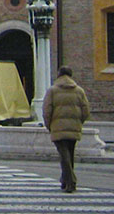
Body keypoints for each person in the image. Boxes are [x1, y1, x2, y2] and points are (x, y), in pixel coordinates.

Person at [42, 65, 91, 193]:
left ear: (59, 75)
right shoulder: (79, 91)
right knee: (69, 155)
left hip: (57, 127)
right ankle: (65, 181)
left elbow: (47, 110)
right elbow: (86, 110)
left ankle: (71, 182)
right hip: (74, 127)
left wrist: (49, 125)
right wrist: (79, 122)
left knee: (64, 156)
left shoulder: (52, 91)